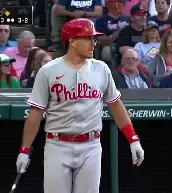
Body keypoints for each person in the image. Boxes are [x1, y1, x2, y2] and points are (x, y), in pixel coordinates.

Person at [15, 18, 144, 193]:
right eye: (88, 38)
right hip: (57, 145)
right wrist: (24, 149)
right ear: (72, 41)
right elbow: (36, 113)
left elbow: (116, 105)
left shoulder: (101, 69)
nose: (94, 42)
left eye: (94, 38)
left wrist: (133, 138)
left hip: (91, 145)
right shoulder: (48, 71)